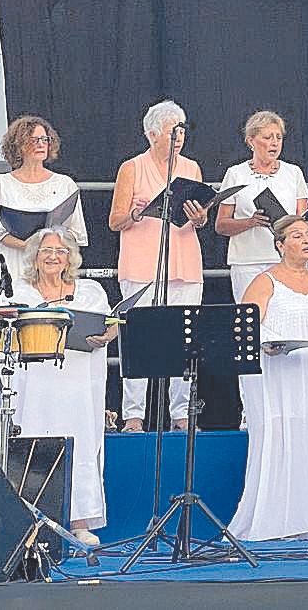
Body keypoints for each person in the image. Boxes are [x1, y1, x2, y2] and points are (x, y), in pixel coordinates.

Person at [228, 215, 308, 541]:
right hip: (277, 374)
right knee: (279, 439)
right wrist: (269, 342)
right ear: (280, 245)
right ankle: (272, 523)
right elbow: (244, 327)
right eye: (297, 236)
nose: (307, 240)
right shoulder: (266, 281)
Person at [106, 100, 208, 432]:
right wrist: (139, 212)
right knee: (139, 338)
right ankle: (133, 416)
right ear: (153, 134)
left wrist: (200, 216)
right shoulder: (132, 167)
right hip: (143, 264)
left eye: (183, 129)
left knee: (185, 339)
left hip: (185, 261)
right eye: (172, 130)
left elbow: (201, 216)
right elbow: (115, 220)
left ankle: (182, 414)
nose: (179, 136)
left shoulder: (191, 168)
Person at [9, 228, 113, 545]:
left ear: (70, 257)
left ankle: (79, 520)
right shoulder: (18, 291)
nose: (53, 256)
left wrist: (107, 336)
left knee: (81, 441)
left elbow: (109, 327)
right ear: (35, 258)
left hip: (77, 382)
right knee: (33, 441)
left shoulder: (90, 291)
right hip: (36, 383)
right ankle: (30, 521)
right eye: (46, 250)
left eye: (60, 250)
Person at [217, 111, 308, 429]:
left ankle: (287, 404)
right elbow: (221, 224)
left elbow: (302, 220)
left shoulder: (293, 173)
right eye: (267, 137)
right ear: (251, 140)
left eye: (278, 137)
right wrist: (250, 222)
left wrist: (286, 225)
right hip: (247, 260)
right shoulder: (234, 173)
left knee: (284, 329)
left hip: (283, 261)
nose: (274, 143)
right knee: (250, 331)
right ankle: (251, 408)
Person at [0, 115, 89, 278]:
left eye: (44, 139)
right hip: (14, 262)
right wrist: (28, 245)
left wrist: (48, 246)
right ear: (19, 145)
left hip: (51, 264)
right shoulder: (1, 183)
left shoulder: (65, 184)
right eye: (33, 140)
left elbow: (75, 230)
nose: (41, 144)